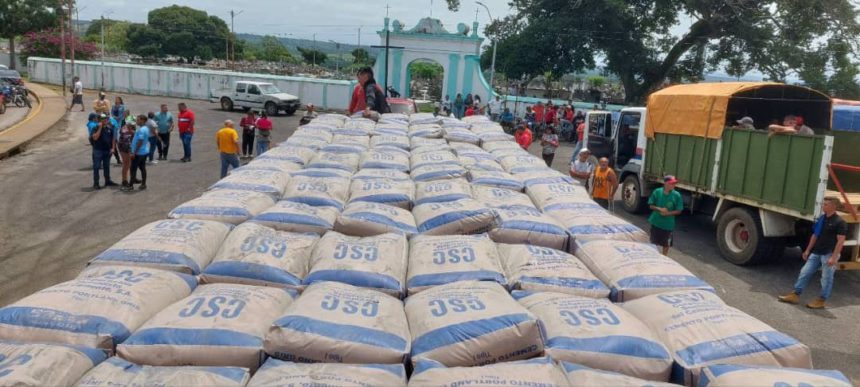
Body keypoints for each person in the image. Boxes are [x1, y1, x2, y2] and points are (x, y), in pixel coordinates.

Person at [778, 197, 846, 309]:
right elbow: (815, 235)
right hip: (816, 252)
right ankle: (795, 294)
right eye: (823, 204)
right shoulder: (822, 219)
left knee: (826, 278)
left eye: (826, 204)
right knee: (805, 272)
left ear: (834, 206)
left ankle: (821, 300)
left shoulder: (839, 222)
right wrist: (808, 250)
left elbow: (840, 241)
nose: (823, 206)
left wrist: (834, 257)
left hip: (829, 254)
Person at [647, 175, 684, 255]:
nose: (673, 185)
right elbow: (651, 205)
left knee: (666, 244)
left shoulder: (677, 195)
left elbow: (679, 210)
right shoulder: (657, 192)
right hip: (656, 222)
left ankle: (664, 258)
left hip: (668, 225)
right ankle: (652, 257)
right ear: (666, 183)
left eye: (674, 183)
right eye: (671, 183)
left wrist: (668, 213)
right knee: (653, 242)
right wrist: (660, 209)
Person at [88, 114, 117, 189]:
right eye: (102, 119)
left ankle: (108, 181)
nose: (104, 120)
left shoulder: (110, 128)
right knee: (96, 167)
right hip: (98, 150)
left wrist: (113, 148)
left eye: (105, 118)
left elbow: (113, 139)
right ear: (98, 120)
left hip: (107, 150)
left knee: (106, 166)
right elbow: (95, 138)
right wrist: (100, 128)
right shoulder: (95, 128)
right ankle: (96, 183)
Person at [129, 115, 151, 190]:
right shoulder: (145, 128)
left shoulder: (141, 130)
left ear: (143, 120)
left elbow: (140, 141)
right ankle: (143, 184)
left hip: (139, 153)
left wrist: (134, 152)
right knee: (142, 168)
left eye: (138, 120)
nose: (136, 121)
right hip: (144, 152)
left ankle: (130, 186)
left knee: (133, 169)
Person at [116, 122, 135, 191]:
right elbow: (128, 142)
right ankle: (124, 181)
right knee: (126, 164)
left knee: (129, 164)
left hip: (125, 148)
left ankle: (131, 178)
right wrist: (131, 152)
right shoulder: (124, 130)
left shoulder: (130, 129)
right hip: (124, 149)